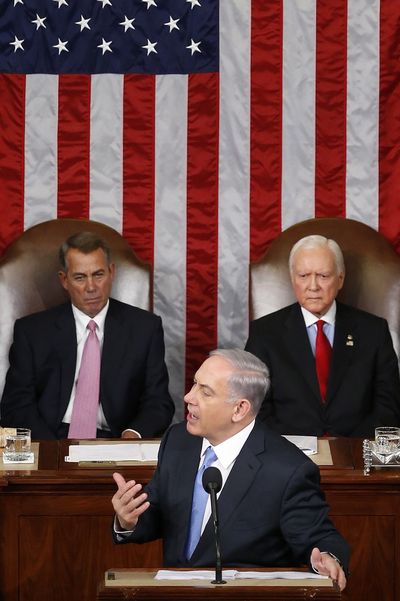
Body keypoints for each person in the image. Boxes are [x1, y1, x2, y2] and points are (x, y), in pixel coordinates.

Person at [112, 349, 349, 590]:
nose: (188, 397)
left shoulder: (287, 469)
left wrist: (330, 558)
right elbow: (161, 513)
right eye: (194, 384)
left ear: (239, 409)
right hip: (177, 593)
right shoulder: (177, 440)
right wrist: (128, 520)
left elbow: (320, 538)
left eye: (205, 392)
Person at [0, 231, 174, 439]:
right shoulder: (32, 332)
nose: (91, 287)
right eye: (80, 277)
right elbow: (16, 403)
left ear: (111, 272)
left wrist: (133, 435)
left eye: (98, 274)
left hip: (116, 440)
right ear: (64, 280)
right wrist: (50, 449)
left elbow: (158, 402)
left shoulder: (145, 328)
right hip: (51, 438)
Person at [245, 234, 400, 438]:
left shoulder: (374, 331)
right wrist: (283, 449)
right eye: (303, 276)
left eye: (323, 276)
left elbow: (388, 406)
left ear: (340, 279)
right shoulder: (264, 333)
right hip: (286, 454)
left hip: (356, 453)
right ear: (292, 279)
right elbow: (253, 405)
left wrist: (353, 448)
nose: (313, 286)